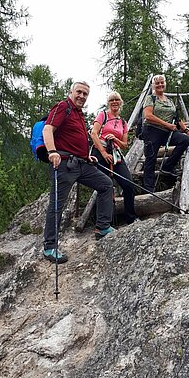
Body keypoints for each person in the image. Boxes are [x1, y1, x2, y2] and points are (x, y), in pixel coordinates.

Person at [42, 81, 115, 264]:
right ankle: (50, 247)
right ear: (71, 92)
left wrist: (86, 156)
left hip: (82, 163)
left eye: (85, 94)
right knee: (57, 205)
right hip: (64, 164)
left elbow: (76, 139)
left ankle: (102, 227)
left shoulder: (78, 113)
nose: (82, 96)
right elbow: (48, 129)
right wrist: (52, 152)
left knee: (106, 184)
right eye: (79, 92)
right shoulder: (62, 107)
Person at [90, 92, 139, 225]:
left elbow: (124, 145)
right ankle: (104, 222)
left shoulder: (123, 122)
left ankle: (130, 217)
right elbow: (94, 134)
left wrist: (115, 138)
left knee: (128, 184)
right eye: (112, 100)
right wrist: (103, 152)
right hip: (101, 152)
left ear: (120, 102)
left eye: (117, 99)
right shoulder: (103, 115)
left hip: (115, 153)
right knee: (105, 186)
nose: (114, 102)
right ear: (108, 103)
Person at [142, 74, 189, 192]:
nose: (160, 85)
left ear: (165, 83)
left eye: (162, 82)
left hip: (167, 132)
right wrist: (167, 125)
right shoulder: (150, 98)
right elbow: (148, 116)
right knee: (151, 157)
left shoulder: (170, 101)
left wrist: (187, 131)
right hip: (152, 131)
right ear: (153, 85)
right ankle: (148, 188)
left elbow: (176, 118)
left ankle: (168, 165)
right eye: (157, 83)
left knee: (184, 140)